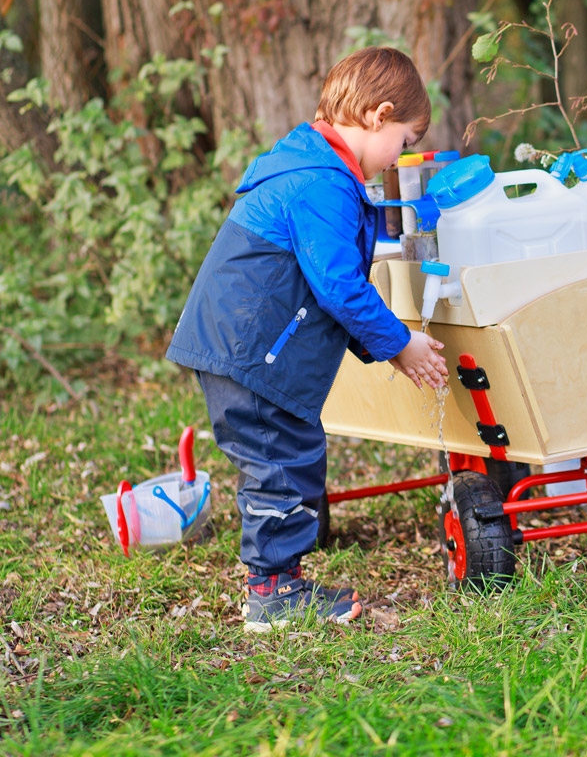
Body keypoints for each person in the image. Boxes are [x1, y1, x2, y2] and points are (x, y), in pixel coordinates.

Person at [166, 46, 449, 631]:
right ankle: (272, 595)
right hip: (248, 349)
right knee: (278, 458)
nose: (398, 155)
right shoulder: (320, 184)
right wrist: (400, 344)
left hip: (249, 345)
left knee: (286, 451)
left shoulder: (312, 167)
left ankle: (277, 580)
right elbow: (339, 287)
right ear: (378, 114)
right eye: (403, 139)